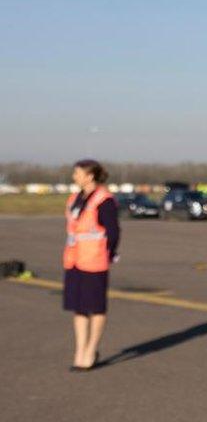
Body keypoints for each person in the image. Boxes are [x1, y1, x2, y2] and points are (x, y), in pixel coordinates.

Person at [63, 159, 119, 371]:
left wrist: (109, 254)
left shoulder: (104, 200)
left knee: (95, 307)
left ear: (90, 176)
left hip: (94, 261)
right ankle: (80, 350)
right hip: (74, 260)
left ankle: (90, 350)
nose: (74, 177)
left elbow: (113, 232)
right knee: (78, 307)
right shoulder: (75, 198)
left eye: (77, 173)